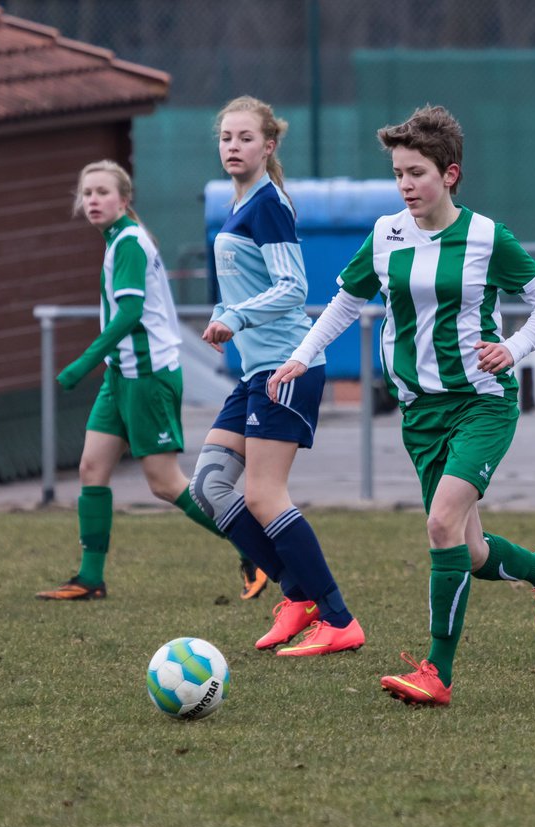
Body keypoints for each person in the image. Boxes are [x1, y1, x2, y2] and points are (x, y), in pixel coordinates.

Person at [269, 105, 535, 707]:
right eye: (399, 174)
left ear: (450, 174)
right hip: (419, 412)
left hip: (481, 404)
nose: (405, 185)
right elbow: (344, 303)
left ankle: (437, 671)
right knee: (474, 552)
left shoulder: (487, 236)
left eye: (417, 173)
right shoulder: (386, 234)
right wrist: (302, 354)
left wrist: (511, 349)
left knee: (439, 526)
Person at [36, 160, 263, 601]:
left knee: (165, 482)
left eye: (102, 192)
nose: (93, 201)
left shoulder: (129, 243)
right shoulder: (118, 240)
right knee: (91, 469)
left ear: (124, 200)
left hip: (148, 377)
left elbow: (131, 313)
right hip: (121, 376)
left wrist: (83, 362)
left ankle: (255, 550)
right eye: (87, 194)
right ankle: (90, 578)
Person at [188, 96, 364, 656]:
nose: (233, 146)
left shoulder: (268, 205)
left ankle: (338, 618)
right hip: (254, 372)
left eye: (244, 138)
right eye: (226, 138)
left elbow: (293, 288)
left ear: (268, 145)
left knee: (264, 495)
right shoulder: (242, 205)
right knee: (209, 489)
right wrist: (229, 316)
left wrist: (233, 316)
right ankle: (296, 595)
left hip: (286, 367)